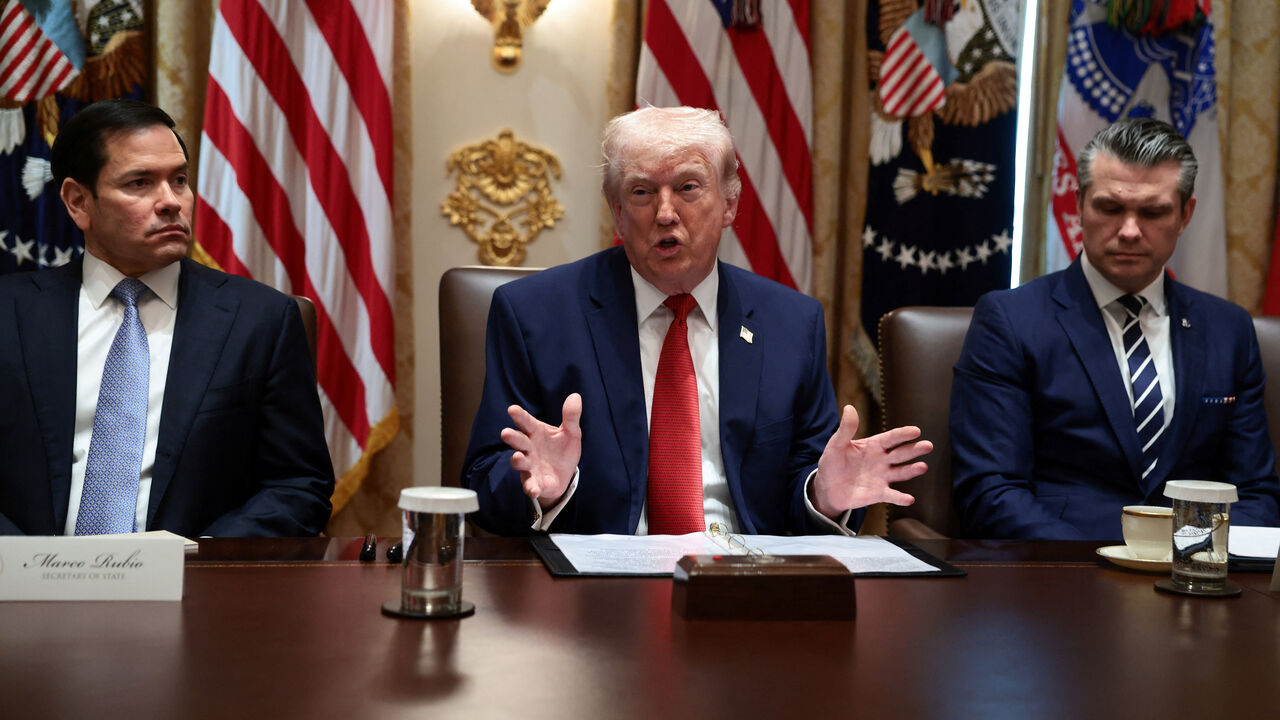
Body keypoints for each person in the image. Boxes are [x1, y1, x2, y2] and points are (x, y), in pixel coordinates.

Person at [462, 106, 931, 536]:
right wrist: (544, 489)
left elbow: (802, 479)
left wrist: (821, 498)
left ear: (729, 204)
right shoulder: (533, 315)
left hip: (745, 585)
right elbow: (484, 481)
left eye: (687, 187)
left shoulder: (792, 322)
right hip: (595, 594)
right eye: (642, 192)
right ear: (618, 214)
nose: (665, 214)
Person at [0, 99, 334, 537]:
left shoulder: (261, 321)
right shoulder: (9, 315)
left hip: (196, 588)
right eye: (140, 183)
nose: (171, 202)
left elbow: (298, 486)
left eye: (179, 181)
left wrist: (197, 559)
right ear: (78, 202)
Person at [951, 117, 1280, 539]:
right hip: (1062, 577)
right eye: (1109, 208)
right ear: (1079, 204)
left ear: (1185, 215)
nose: (1129, 230)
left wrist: (1184, 560)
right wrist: (1108, 567)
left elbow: (1255, 494)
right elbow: (990, 493)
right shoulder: (1011, 321)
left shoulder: (1228, 329)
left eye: (1153, 211)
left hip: (1194, 582)